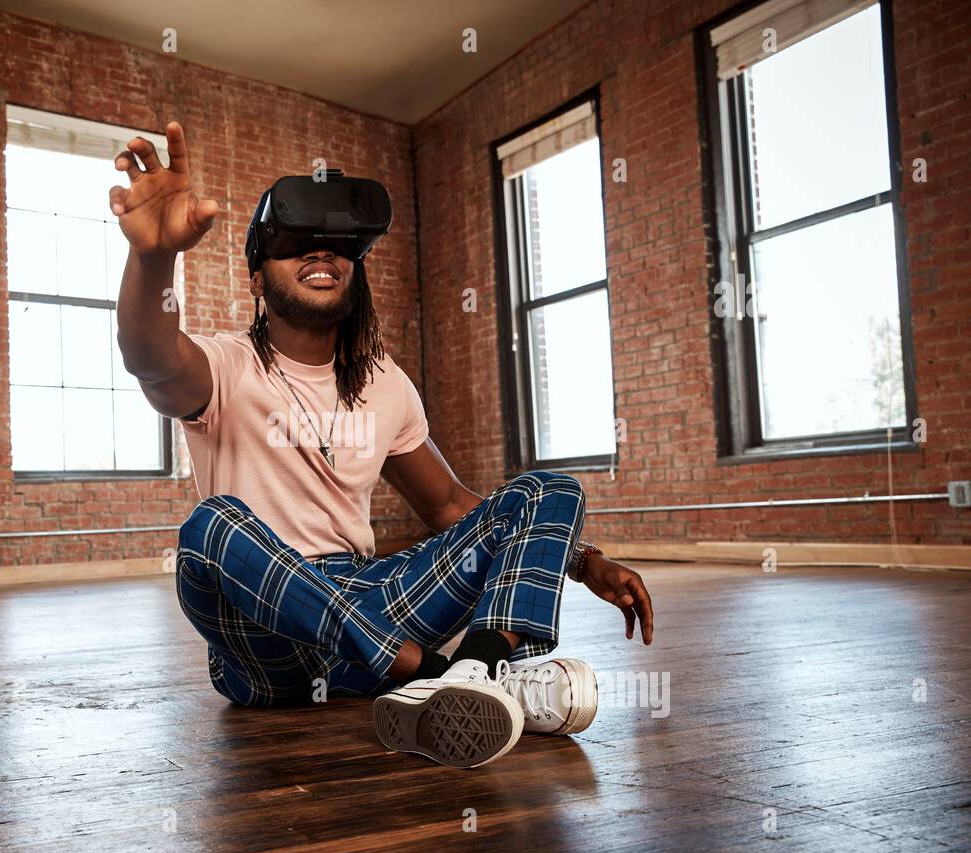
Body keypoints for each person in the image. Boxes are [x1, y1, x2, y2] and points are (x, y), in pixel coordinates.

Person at [112, 121, 654, 769]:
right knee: (210, 526)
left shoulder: (384, 382)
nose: (321, 254)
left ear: (355, 269)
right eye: (293, 243)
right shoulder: (223, 365)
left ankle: (477, 673)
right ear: (257, 278)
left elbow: (451, 505)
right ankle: (434, 670)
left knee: (548, 489)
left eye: (339, 244)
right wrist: (153, 258)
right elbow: (151, 359)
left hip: (370, 596)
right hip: (267, 636)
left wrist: (583, 559)